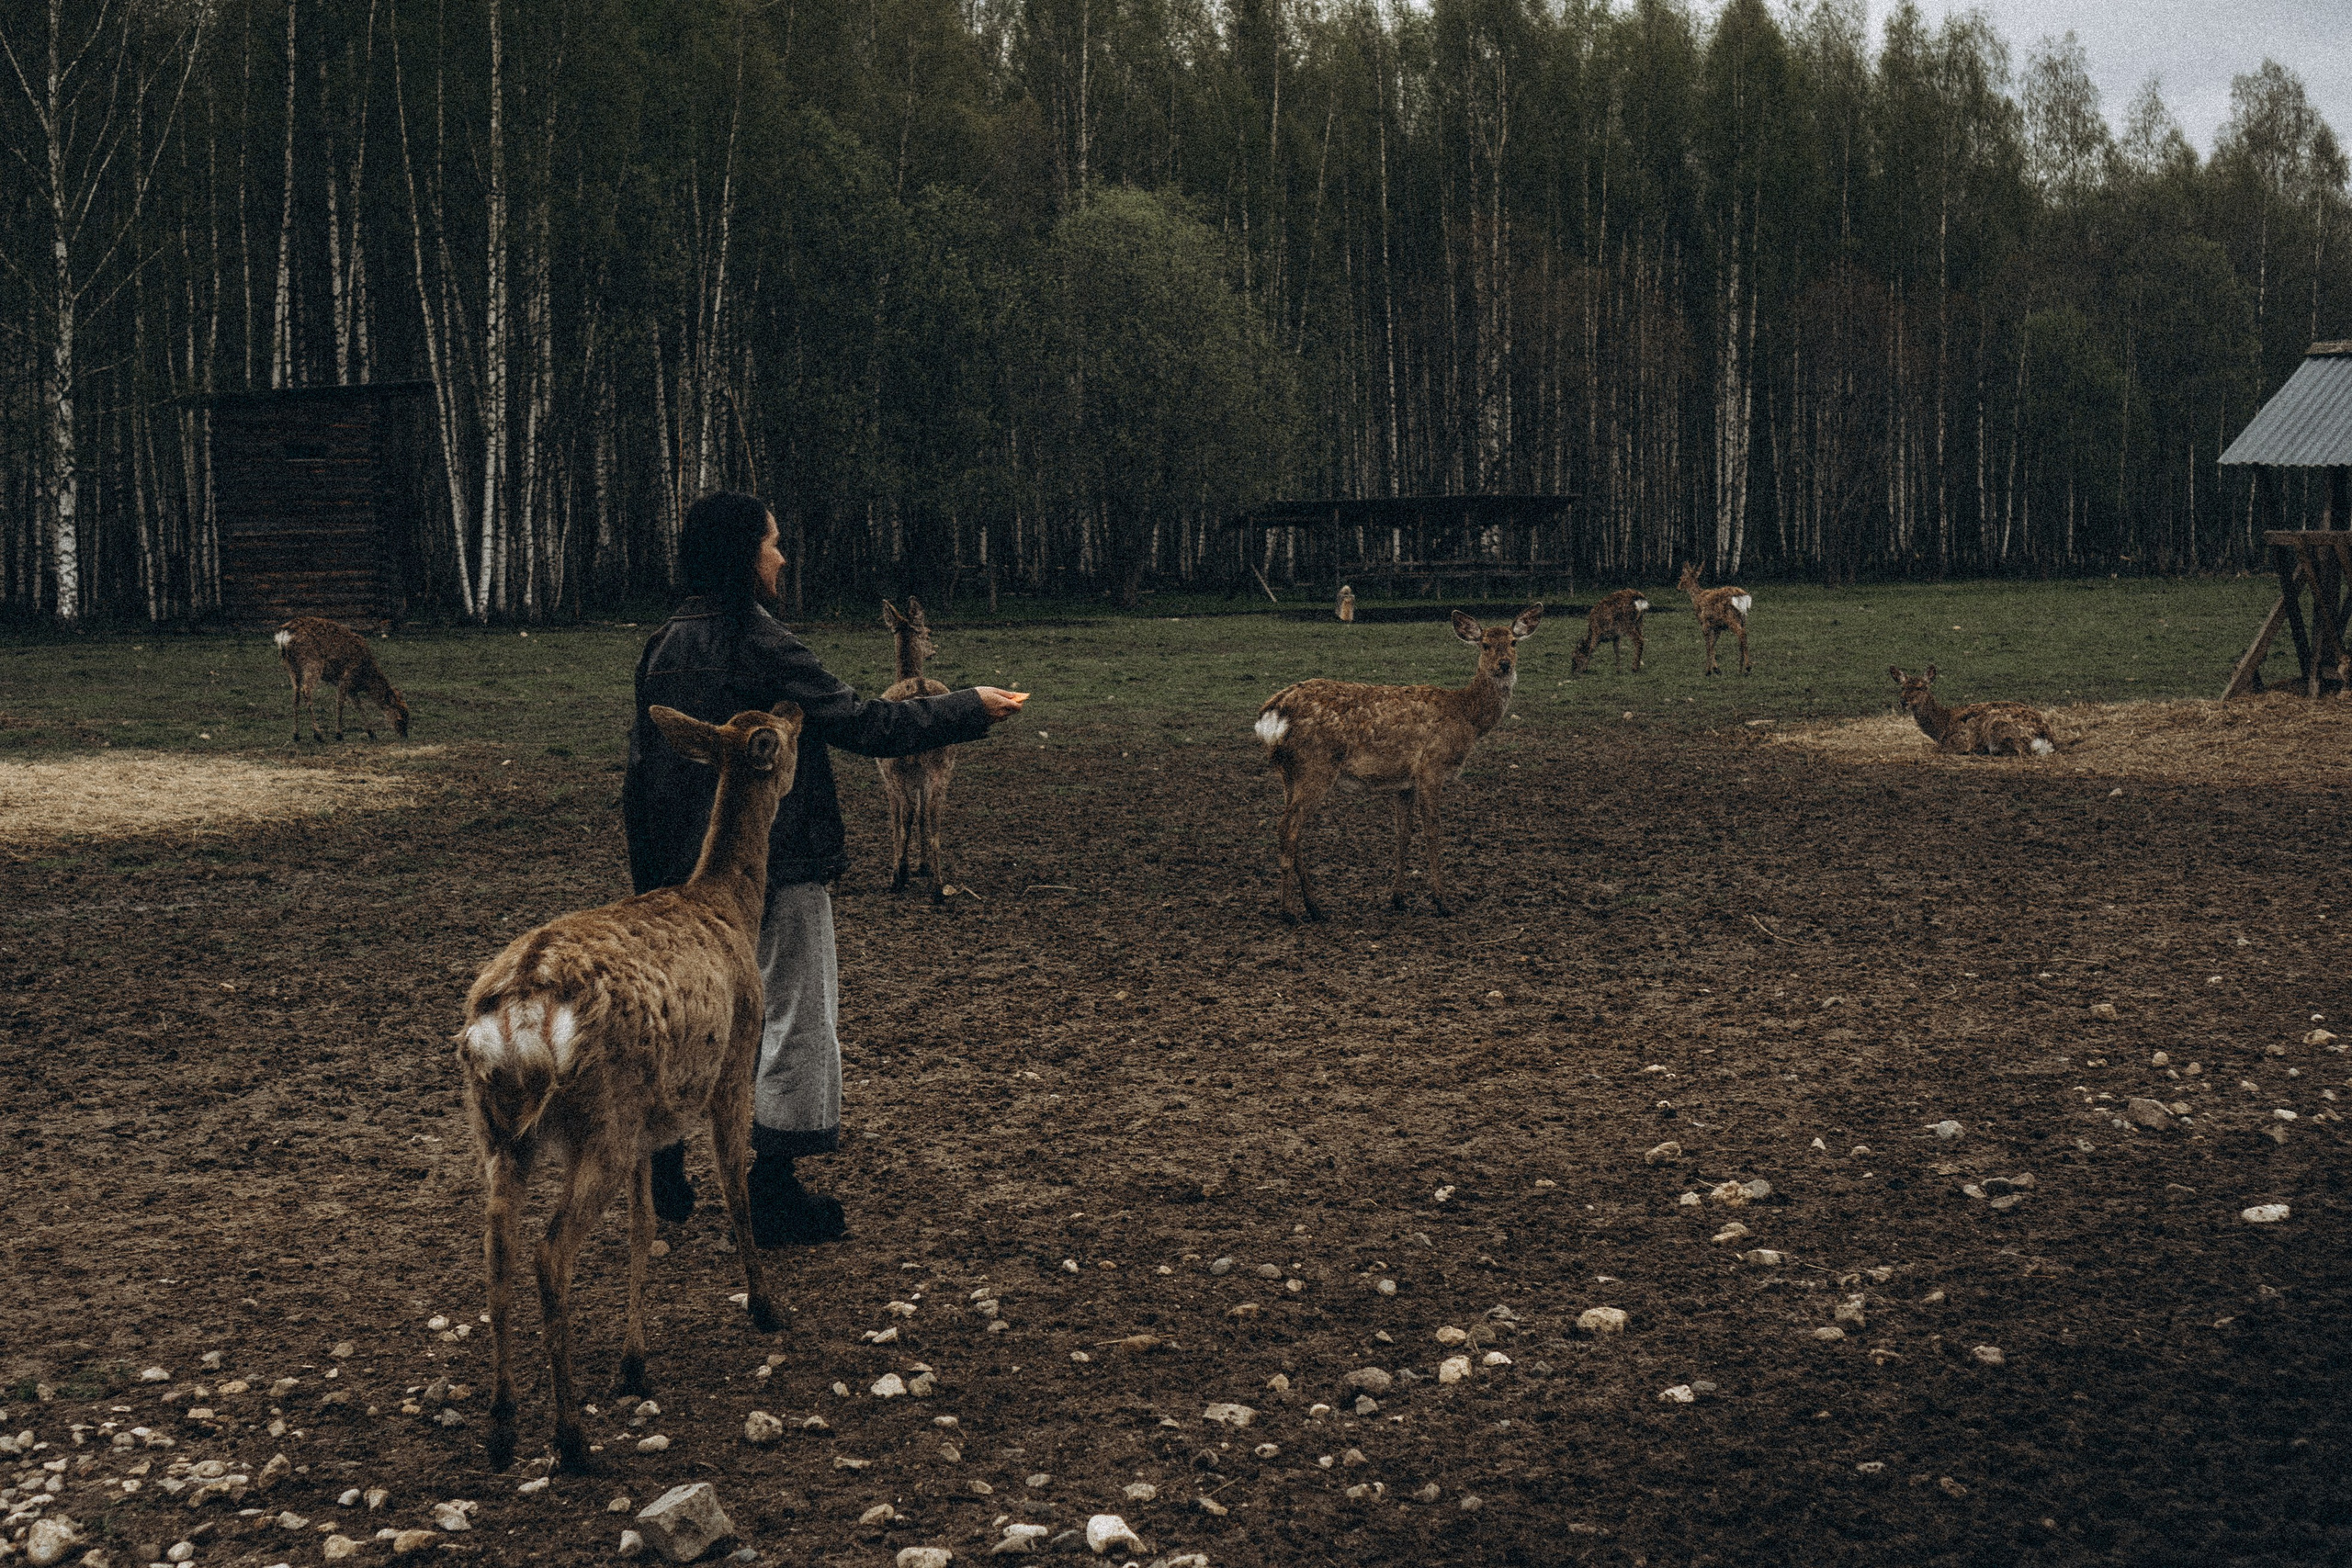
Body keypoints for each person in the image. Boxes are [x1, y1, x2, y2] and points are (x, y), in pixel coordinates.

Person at [623, 491, 1029, 1244]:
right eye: (773, 544)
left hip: (686, 880)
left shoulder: (664, 643)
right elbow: (863, 722)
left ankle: (667, 1150)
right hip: (777, 863)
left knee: (690, 1013)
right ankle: (773, 1186)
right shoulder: (762, 641)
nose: (782, 556)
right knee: (796, 1014)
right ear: (744, 554)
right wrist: (968, 706)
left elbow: (643, 776)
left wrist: (651, 883)